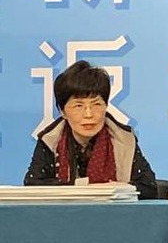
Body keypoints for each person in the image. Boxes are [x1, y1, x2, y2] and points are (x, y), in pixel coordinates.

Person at [24, 60, 158, 199]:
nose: (88, 114)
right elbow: (33, 185)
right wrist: (84, 188)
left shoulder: (124, 139)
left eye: (96, 104)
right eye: (78, 106)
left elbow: (149, 187)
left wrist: (121, 189)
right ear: (62, 111)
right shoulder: (50, 140)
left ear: (106, 106)